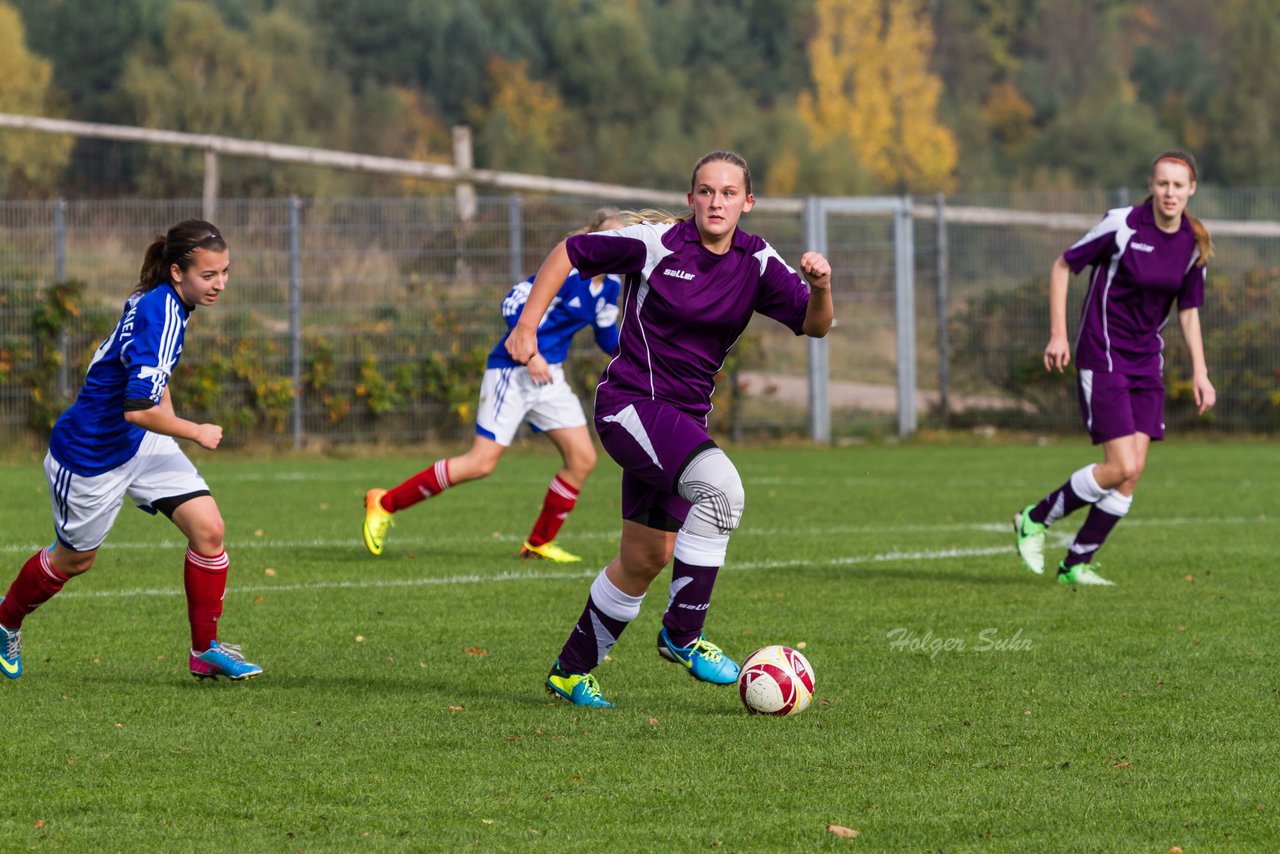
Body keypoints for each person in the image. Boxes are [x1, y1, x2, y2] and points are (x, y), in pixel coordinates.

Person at [506, 151, 833, 707]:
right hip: (630, 406)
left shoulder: (756, 261)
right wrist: (526, 327)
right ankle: (683, 635)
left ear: (747, 203)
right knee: (722, 488)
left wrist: (821, 285)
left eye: (729, 193)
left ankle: (570, 671)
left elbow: (815, 325)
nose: (716, 201)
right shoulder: (656, 243)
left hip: (680, 420)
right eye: (706, 191)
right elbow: (569, 251)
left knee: (644, 558)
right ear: (691, 199)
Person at [0, 219, 262, 681]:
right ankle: (5, 620)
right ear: (178, 271)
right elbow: (137, 408)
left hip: (141, 442)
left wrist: (172, 424)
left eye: (225, 272)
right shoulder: (161, 311)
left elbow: (148, 380)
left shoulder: (166, 300)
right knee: (75, 559)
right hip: (89, 455)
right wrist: (194, 430)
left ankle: (204, 650)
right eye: (209, 274)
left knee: (209, 530)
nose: (220, 283)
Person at [361, 208, 625, 563]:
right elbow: (513, 301)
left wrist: (638, 356)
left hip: (550, 376)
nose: (615, 245)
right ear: (593, 239)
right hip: (512, 371)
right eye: (608, 238)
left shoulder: (611, 285)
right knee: (480, 463)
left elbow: (607, 334)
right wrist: (530, 353)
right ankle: (384, 502)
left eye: (622, 239)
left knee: (582, 459)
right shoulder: (570, 272)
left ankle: (538, 543)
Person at [1013, 149, 1216, 586]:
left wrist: (1200, 371)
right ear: (1151, 184)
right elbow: (1063, 265)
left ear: (1191, 190)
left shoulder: (1192, 244)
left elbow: (1189, 312)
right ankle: (1033, 518)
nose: (1170, 192)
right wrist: (1058, 333)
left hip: (1147, 362)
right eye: (1163, 183)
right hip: (1104, 354)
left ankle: (1075, 565)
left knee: (1132, 473)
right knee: (1120, 465)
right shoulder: (1122, 224)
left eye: (1178, 185)